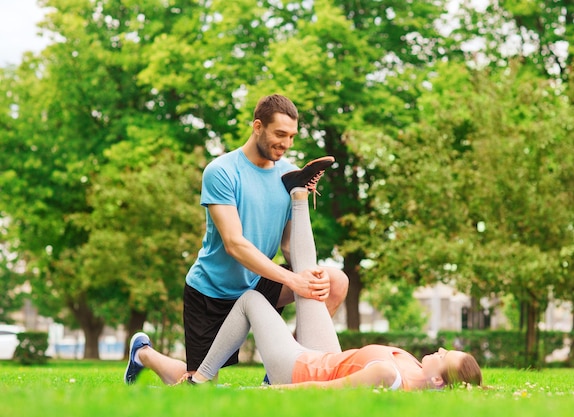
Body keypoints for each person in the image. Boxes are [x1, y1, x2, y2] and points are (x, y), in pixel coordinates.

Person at [127, 186, 482, 390]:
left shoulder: (390, 376)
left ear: (438, 381)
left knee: (250, 299)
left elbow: (322, 391)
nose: (439, 348)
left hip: (301, 369)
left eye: (444, 355)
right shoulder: (415, 368)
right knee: (314, 282)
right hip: (325, 356)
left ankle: (192, 375)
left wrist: (267, 392)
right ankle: (299, 192)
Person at [124, 94, 348, 385]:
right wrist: (293, 280)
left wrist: (308, 276)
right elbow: (234, 244)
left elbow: (289, 245)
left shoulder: (288, 174)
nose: (287, 144)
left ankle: (289, 367)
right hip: (213, 293)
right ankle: (143, 354)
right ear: (258, 126)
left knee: (334, 281)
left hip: (258, 282)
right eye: (280, 134)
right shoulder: (222, 172)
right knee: (199, 384)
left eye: (292, 136)